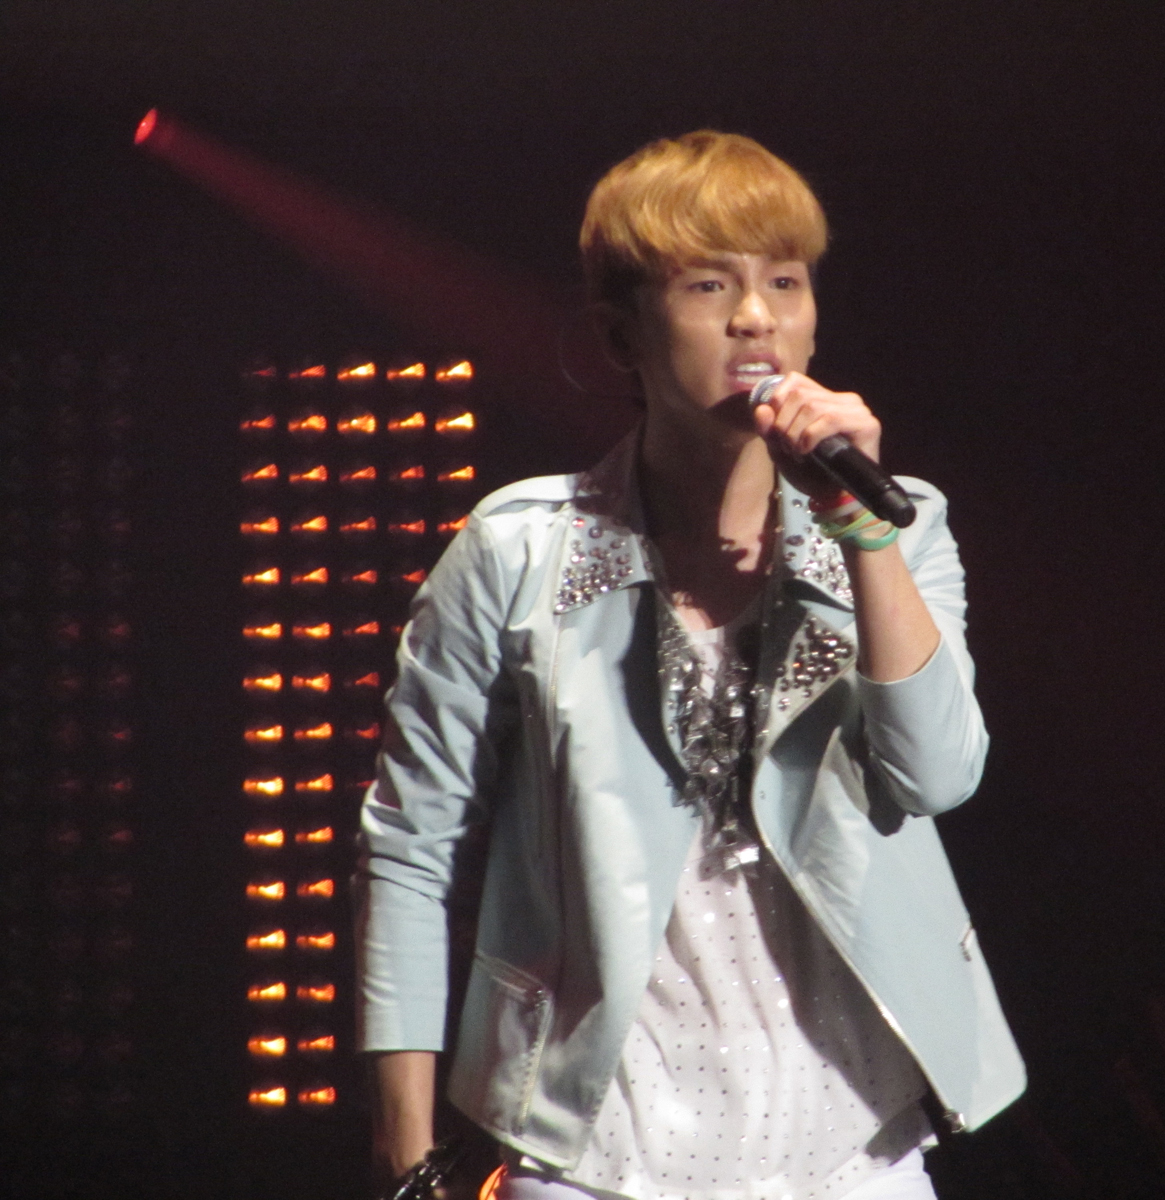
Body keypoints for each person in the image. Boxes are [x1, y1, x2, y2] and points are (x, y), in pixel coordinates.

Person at [356, 130, 1024, 1200]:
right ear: (620, 335)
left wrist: (862, 533)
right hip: (596, 1149)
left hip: (853, 1148)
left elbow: (934, 776)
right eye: (709, 285)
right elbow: (411, 849)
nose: (756, 317)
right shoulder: (516, 552)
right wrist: (407, 1156)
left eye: (784, 281)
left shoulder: (900, 530)